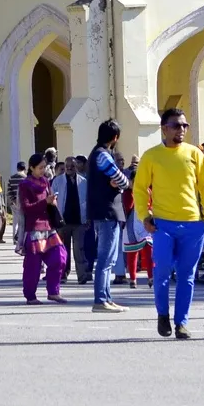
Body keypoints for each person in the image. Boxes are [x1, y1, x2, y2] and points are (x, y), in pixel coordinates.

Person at [134, 107, 204, 339]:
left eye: (184, 125)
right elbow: (140, 189)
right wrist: (145, 215)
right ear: (164, 128)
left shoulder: (195, 154)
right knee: (161, 272)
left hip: (193, 224)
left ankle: (181, 322)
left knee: (186, 275)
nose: (181, 130)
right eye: (176, 125)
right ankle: (163, 315)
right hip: (163, 224)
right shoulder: (151, 156)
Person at [86, 119, 130, 315]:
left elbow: (115, 180)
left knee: (109, 259)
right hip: (107, 211)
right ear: (115, 137)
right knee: (105, 259)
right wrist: (123, 183)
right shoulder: (103, 155)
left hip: (103, 210)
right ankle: (101, 299)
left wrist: (116, 183)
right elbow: (121, 179)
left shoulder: (96, 153)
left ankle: (107, 298)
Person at [19, 152, 67, 303]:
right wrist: (45, 202)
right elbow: (26, 208)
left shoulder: (46, 181)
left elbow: (49, 200)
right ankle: (30, 296)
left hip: (48, 227)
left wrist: (53, 202)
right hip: (34, 228)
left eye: (44, 167)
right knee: (33, 266)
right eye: (40, 167)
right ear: (31, 168)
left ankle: (53, 291)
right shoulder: (25, 184)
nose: (43, 170)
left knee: (60, 257)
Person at [51, 154, 89, 281]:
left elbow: (88, 201)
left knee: (79, 250)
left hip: (79, 221)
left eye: (72, 166)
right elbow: (52, 200)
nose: (69, 168)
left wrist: (88, 218)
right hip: (63, 222)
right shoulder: (58, 181)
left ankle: (82, 275)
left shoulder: (84, 182)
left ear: (76, 166)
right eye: (67, 166)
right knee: (63, 250)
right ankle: (63, 274)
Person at [8, 161, 27, 249]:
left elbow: (9, 191)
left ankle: (14, 239)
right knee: (22, 222)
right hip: (23, 203)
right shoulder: (26, 178)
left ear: (17, 168)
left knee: (15, 221)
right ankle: (20, 238)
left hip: (14, 204)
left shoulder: (11, 178)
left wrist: (13, 200)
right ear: (25, 168)